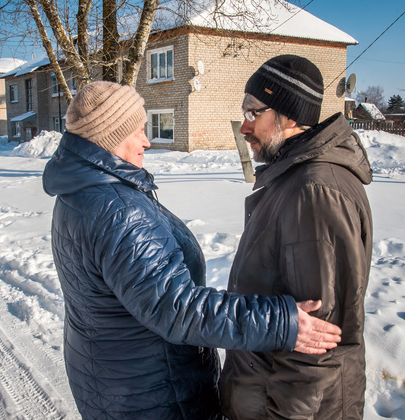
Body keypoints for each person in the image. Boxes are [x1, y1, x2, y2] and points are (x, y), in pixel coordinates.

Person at [42, 81, 342, 419]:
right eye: (138, 131)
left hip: (108, 375)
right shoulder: (119, 210)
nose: (147, 141)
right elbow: (176, 307)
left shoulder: (79, 191)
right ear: (111, 136)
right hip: (152, 393)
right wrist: (277, 323)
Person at [219, 55, 373, 419]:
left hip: (287, 407)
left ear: (288, 117)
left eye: (254, 112)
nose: (244, 126)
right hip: (266, 391)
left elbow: (319, 338)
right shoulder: (293, 179)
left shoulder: (314, 192)